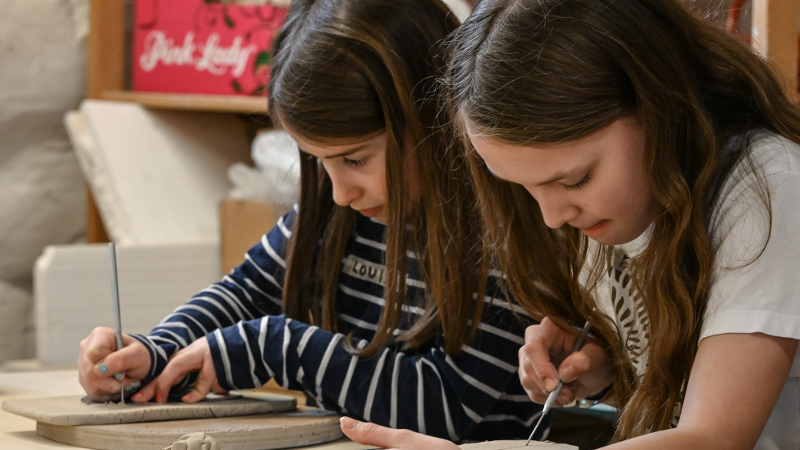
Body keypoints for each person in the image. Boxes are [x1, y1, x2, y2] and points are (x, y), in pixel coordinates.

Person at [76, 0, 550, 442]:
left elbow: (439, 407)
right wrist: (156, 350)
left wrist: (274, 346)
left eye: (355, 159)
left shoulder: (505, 237)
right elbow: (244, 293)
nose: (340, 193)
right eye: (320, 161)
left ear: (432, 117)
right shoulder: (336, 212)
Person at [341, 0, 800, 448]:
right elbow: (684, 402)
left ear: (659, 105)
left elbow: (713, 437)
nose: (552, 216)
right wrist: (609, 373)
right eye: (525, 188)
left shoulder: (767, 184)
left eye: (574, 180)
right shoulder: (621, 207)